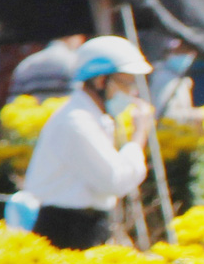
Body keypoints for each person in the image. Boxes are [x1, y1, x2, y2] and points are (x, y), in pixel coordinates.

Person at [17, 35, 153, 249]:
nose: (132, 93)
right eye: (126, 83)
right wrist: (139, 135)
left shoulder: (93, 118)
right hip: (66, 229)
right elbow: (115, 181)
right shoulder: (77, 121)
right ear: (100, 81)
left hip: (81, 225)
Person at [8, 34, 86, 99]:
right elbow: (79, 96)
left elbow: (14, 101)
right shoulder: (74, 61)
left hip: (32, 116)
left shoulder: (26, 64)